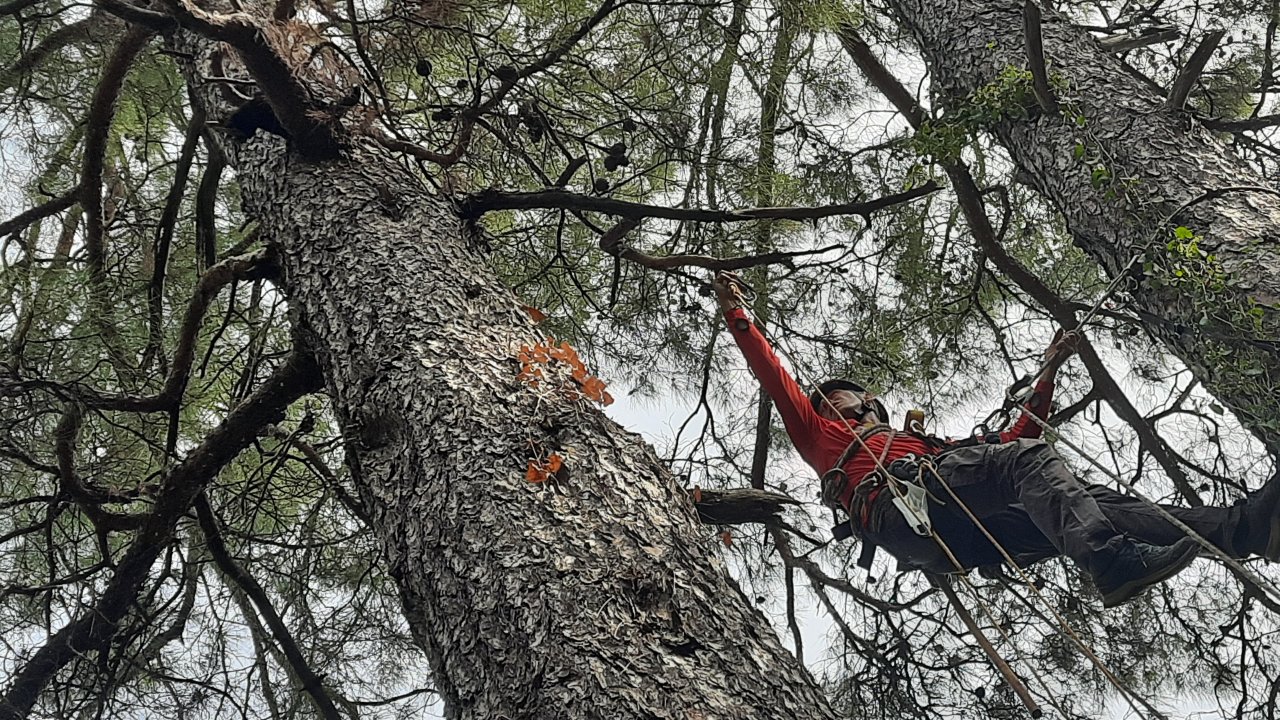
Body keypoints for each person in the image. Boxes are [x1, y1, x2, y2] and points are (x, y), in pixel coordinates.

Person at [712, 271, 1280, 607]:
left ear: (871, 401)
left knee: (1096, 502)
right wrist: (737, 311)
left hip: (956, 524)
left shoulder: (928, 447)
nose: (829, 403)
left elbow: (1016, 440)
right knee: (1028, 463)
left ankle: (1244, 529)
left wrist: (1048, 372)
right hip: (898, 510)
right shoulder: (822, 438)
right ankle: (1110, 562)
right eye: (826, 399)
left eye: (838, 396)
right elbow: (775, 376)